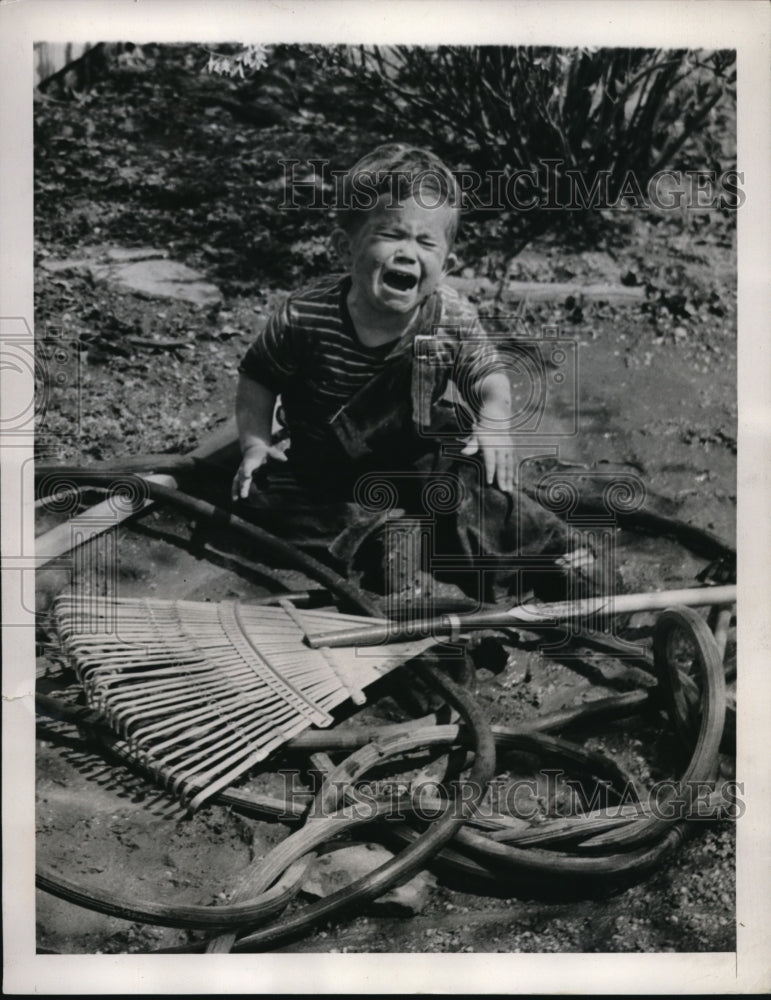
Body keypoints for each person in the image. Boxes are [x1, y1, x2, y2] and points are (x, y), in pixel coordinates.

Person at [231, 143, 578, 605]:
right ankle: (381, 538)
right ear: (345, 247)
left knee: (477, 480)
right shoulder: (305, 316)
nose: (408, 253)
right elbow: (258, 379)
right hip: (327, 467)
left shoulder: (448, 314)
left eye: (425, 242)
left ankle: (545, 552)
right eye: (391, 234)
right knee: (256, 496)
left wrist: (494, 419)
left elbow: (489, 376)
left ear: (446, 266)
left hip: (414, 456)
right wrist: (255, 445)